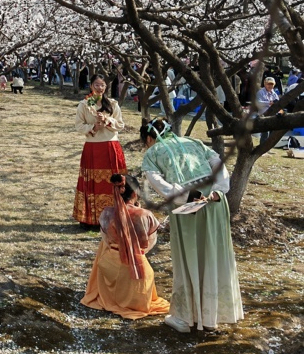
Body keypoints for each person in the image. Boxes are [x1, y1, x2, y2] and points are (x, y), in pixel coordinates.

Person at [139, 118, 243, 333]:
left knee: (190, 255)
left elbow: (160, 184)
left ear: (149, 138)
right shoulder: (193, 142)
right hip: (215, 200)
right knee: (214, 253)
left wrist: (189, 196)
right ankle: (213, 316)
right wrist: (219, 189)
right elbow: (217, 162)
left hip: (189, 204)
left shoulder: (151, 154)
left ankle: (185, 317)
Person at [81, 174, 170, 319]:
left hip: (109, 265)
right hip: (135, 269)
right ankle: (133, 302)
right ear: (135, 193)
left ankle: (112, 298)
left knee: (108, 257)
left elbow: (106, 240)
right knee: (144, 276)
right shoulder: (144, 214)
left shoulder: (106, 213)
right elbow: (150, 241)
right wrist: (133, 250)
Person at [73, 74, 127, 228]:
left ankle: (115, 219)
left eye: (102, 85)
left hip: (111, 146)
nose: (99, 88)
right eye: (96, 85)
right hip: (93, 147)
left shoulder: (112, 104)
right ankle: (91, 219)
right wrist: (93, 127)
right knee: (92, 183)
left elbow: (120, 124)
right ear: (91, 86)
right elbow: (79, 126)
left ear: (106, 87)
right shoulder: (84, 105)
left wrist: (107, 121)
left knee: (112, 182)